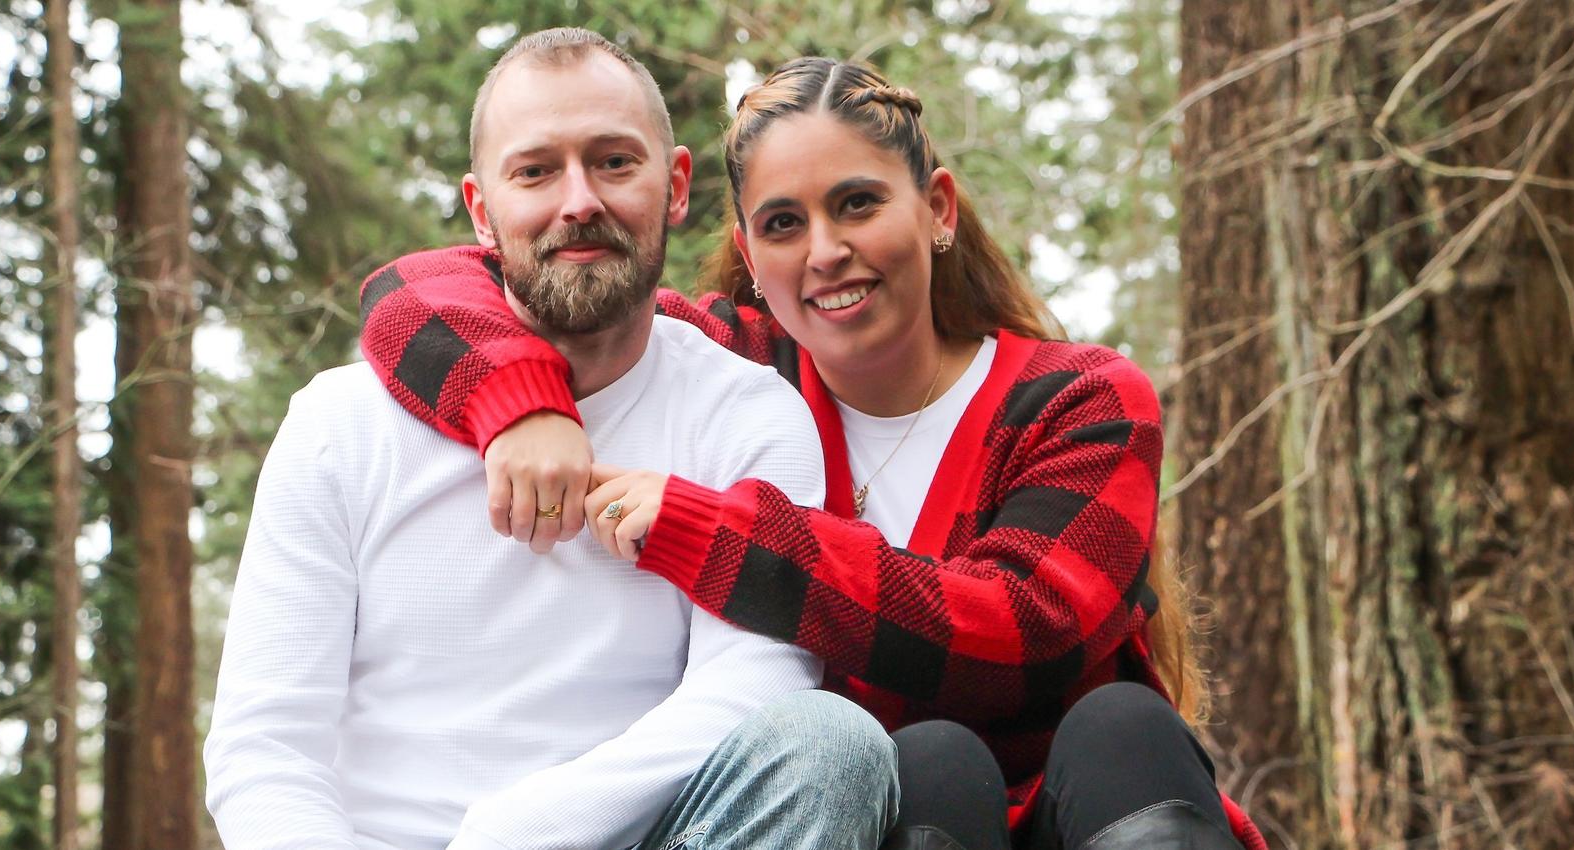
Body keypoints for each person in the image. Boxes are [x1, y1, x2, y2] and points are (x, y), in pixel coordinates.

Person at [356, 54, 1270, 850]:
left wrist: (717, 534)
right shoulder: (735, 369)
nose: (826, 251)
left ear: (937, 208)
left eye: (858, 204)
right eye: (784, 224)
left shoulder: (1081, 399)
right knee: (930, 762)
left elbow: (1022, 633)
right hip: (884, 817)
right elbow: (415, 287)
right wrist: (520, 405)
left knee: (1122, 726)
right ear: (750, 254)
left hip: (1086, 809)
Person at [204, 31, 900, 850]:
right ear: (480, 210)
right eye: (535, 171)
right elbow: (265, 747)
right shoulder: (342, 423)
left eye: (614, 162)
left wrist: (526, 828)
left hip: (641, 838)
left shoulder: (747, 414)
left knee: (831, 744)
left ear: (675, 184)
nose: (580, 201)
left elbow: (756, 682)